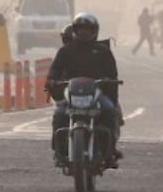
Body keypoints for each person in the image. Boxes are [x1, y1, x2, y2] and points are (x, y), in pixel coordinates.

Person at [45, 13, 122, 168]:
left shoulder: (103, 51)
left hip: (97, 94)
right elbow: (55, 70)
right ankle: (59, 152)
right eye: (80, 29)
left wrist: (108, 81)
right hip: (72, 95)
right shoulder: (66, 51)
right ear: (75, 30)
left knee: (109, 111)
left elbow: (113, 74)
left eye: (87, 29)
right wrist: (52, 80)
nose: (83, 32)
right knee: (59, 114)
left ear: (94, 31)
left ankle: (110, 151)